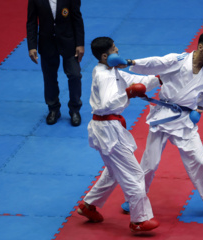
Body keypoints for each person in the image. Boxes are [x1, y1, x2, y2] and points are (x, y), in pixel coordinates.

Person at [122, 32, 203, 219]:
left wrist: (198, 112)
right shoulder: (178, 60)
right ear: (200, 47)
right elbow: (155, 63)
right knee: (149, 164)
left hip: (185, 121)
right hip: (163, 117)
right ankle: (135, 198)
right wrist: (132, 63)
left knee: (200, 162)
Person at [77, 37, 160, 232]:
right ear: (105, 56)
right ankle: (139, 219)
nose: (118, 50)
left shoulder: (110, 70)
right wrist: (128, 94)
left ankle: (88, 206)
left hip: (108, 127)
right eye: (115, 49)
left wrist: (161, 78)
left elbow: (136, 81)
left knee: (114, 171)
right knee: (134, 174)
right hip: (107, 129)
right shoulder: (104, 76)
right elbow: (107, 104)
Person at [26, 0, 85, 126]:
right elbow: (31, 22)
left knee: (75, 75)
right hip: (46, 43)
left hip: (68, 42)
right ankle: (53, 109)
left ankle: (75, 109)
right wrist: (32, 46)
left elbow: (77, 18)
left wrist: (80, 44)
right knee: (49, 78)